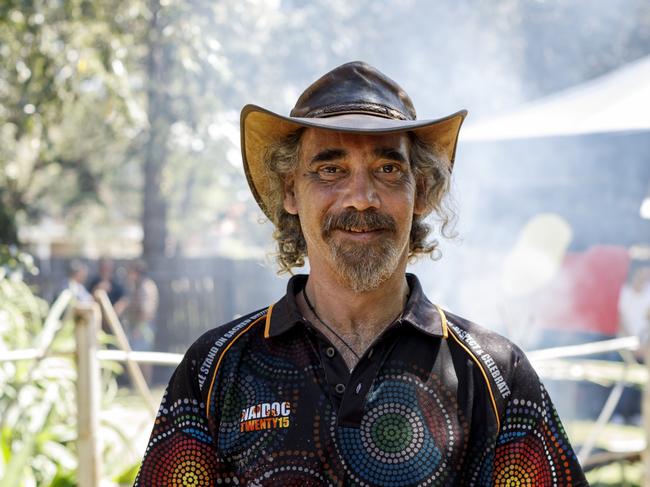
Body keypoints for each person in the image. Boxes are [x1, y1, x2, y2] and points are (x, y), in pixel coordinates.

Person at [135, 62, 587, 486]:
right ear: (291, 191)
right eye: (331, 169)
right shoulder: (215, 367)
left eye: (388, 169)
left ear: (422, 191)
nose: (361, 198)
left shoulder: (493, 374)